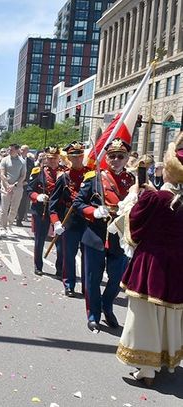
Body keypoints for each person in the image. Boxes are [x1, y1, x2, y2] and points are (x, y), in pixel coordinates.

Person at [115, 132, 183, 384]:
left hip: (151, 264)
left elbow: (131, 228)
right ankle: (165, 360)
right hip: (177, 266)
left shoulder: (154, 198)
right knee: (169, 315)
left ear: (169, 171)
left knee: (144, 315)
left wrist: (136, 195)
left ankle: (146, 369)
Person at [73, 138, 134, 332]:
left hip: (119, 236)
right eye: (112, 156)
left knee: (117, 279)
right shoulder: (94, 177)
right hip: (96, 234)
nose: (116, 160)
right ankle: (93, 314)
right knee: (92, 278)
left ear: (126, 159)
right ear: (106, 158)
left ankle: (108, 307)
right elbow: (78, 204)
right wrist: (93, 212)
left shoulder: (132, 181)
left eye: (120, 156)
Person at [49, 141, 89, 297]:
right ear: (69, 159)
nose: (77, 159)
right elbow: (53, 204)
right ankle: (69, 284)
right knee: (69, 255)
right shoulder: (64, 177)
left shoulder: (91, 175)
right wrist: (56, 221)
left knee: (88, 257)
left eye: (79, 156)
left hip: (88, 221)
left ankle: (87, 286)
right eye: (74, 156)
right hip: (69, 220)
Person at [27, 146, 65, 277]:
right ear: (46, 158)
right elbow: (29, 190)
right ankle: (38, 265)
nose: (52, 161)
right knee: (40, 239)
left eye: (55, 158)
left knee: (60, 241)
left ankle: (60, 268)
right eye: (50, 158)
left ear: (59, 158)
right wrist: (37, 197)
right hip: (41, 208)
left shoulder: (65, 173)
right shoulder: (38, 171)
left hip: (58, 209)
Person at [0, 144, 26, 232]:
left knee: (14, 208)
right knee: (4, 208)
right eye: (9, 149)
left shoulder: (22, 161)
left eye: (11, 150)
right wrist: (7, 185)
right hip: (5, 186)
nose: (9, 151)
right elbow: (2, 174)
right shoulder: (4, 160)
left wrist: (14, 184)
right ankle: (2, 226)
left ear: (17, 150)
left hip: (17, 187)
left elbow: (23, 176)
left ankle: (9, 224)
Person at [17, 145, 35, 226]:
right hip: (14, 184)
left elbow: (33, 174)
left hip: (25, 184)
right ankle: (10, 217)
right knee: (13, 201)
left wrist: (28, 182)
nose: (22, 151)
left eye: (24, 150)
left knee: (23, 203)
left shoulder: (30, 162)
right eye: (21, 149)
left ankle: (19, 219)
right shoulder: (16, 159)